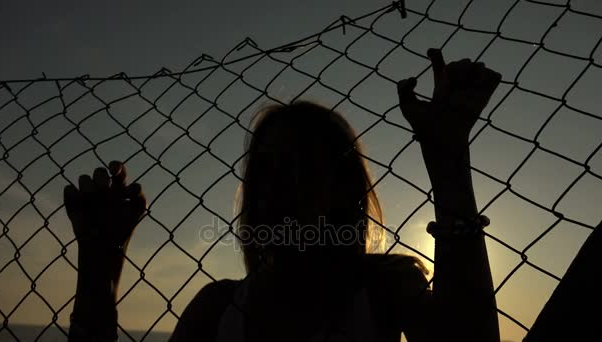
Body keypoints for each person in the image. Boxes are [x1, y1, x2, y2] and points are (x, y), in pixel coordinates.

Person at [65, 48, 504, 342]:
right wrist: (100, 265)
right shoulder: (216, 309)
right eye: (267, 171)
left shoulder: (385, 287)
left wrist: (447, 164)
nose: (280, 187)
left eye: (305, 168)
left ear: (344, 190)